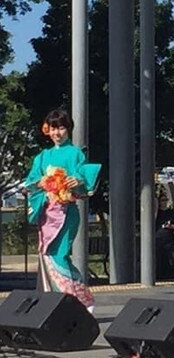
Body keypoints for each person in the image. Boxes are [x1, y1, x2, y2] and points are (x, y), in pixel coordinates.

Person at [24, 109, 101, 313]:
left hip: (66, 212)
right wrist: (39, 183)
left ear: (68, 129)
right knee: (49, 256)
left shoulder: (75, 153)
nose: (57, 132)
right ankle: (61, 300)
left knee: (60, 255)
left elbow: (84, 181)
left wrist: (78, 181)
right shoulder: (43, 156)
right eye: (53, 128)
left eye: (61, 127)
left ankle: (76, 300)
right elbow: (30, 182)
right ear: (47, 130)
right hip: (47, 213)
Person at [155, 193, 174, 279]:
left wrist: (170, 226)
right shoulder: (156, 213)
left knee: (171, 258)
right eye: (162, 200)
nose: (164, 202)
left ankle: (172, 276)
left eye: (166, 200)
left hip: (168, 239)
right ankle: (159, 276)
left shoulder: (170, 212)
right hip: (158, 239)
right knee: (159, 259)